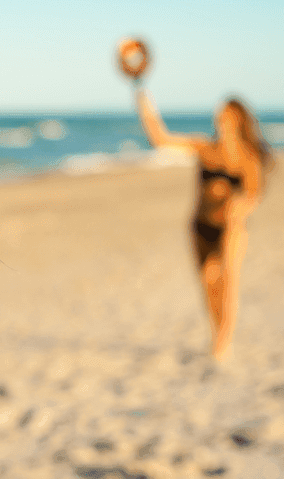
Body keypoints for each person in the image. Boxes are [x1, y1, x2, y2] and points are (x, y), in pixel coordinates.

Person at [117, 38, 273, 361]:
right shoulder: (205, 148)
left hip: (231, 227)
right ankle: (217, 332)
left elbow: (254, 193)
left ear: (238, 120)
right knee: (207, 282)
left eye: (226, 116)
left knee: (228, 282)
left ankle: (224, 342)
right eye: (219, 116)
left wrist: (239, 208)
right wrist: (141, 92)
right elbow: (160, 139)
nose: (220, 120)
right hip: (200, 223)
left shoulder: (247, 158)